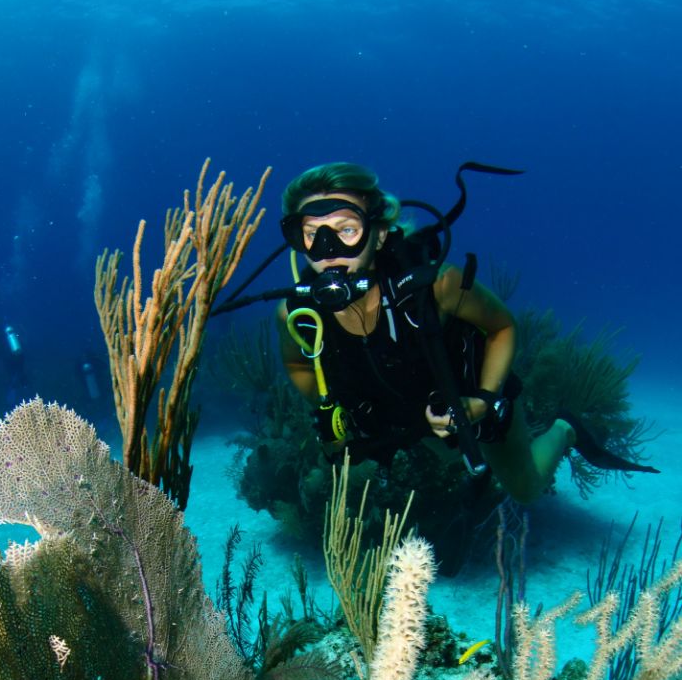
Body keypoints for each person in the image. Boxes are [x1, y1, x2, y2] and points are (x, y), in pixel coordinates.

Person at [276, 163, 657, 504]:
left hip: (471, 398)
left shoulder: (438, 285)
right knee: (446, 452)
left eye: (346, 229)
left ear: (377, 234)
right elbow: (297, 364)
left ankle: (564, 429)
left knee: (524, 489)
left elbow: (503, 327)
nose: (327, 249)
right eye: (311, 233)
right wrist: (333, 403)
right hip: (414, 414)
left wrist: (485, 399)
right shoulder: (298, 314)